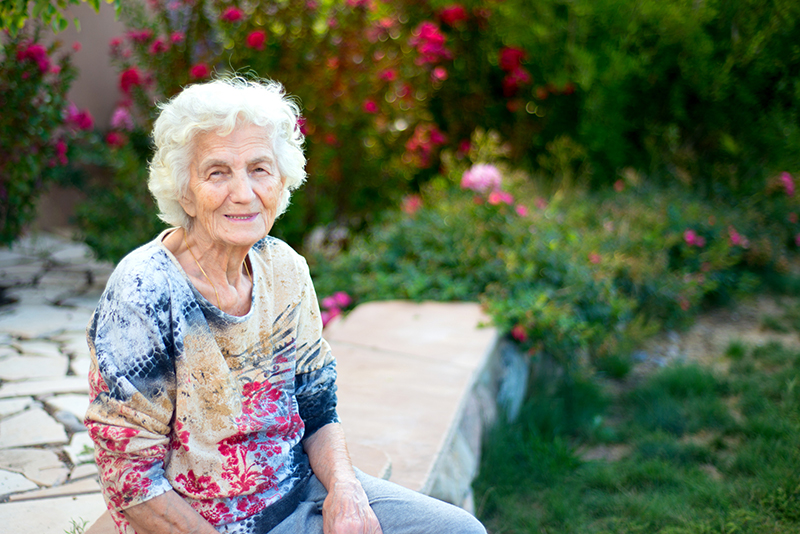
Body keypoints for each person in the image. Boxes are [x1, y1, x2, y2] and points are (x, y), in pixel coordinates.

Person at [84, 77, 487, 534]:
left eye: (259, 168)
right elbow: (130, 479)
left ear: (282, 181)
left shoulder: (284, 269)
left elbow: (317, 403)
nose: (243, 192)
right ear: (184, 192)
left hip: (298, 495)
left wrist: (345, 490)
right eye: (217, 172)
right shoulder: (143, 291)